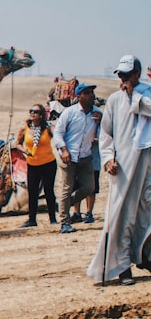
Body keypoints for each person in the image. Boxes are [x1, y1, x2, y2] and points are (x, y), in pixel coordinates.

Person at [87, 55, 151, 285]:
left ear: (137, 74)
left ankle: (146, 258)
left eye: (127, 74)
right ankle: (122, 267)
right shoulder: (114, 100)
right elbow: (106, 134)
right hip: (123, 168)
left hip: (148, 164)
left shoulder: (147, 94)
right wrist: (108, 158)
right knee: (121, 216)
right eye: (120, 75)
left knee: (147, 214)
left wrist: (136, 97)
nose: (123, 79)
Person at [52, 83, 100, 234]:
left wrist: (101, 121)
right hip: (69, 155)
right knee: (67, 187)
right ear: (79, 96)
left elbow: (103, 134)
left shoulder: (97, 114)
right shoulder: (69, 113)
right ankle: (64, 222)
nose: (91, 95)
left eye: (92, 92)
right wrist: (64, 150)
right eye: (87, 93)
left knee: (89, 187)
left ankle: (63, 206)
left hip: (85, 156)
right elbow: (58, 133)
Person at [14, 103, 58, 227]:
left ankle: (52, 218)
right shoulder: (25, 128)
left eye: (36, 112)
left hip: (48, 162)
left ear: (41, 115)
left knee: (49, 190)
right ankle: (32, 219)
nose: (32, 113)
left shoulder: (47, 128)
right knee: (32, 191)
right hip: (32, 164)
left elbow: (58, 136)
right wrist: (25, 152)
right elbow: (17, 143)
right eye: (31, 111)